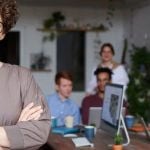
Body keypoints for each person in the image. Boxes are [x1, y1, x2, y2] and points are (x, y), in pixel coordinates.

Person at [0, 0, 50, 149]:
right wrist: (15, 133)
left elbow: (40, 131)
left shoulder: (22, 77)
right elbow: (25, 140)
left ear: (2, 33)